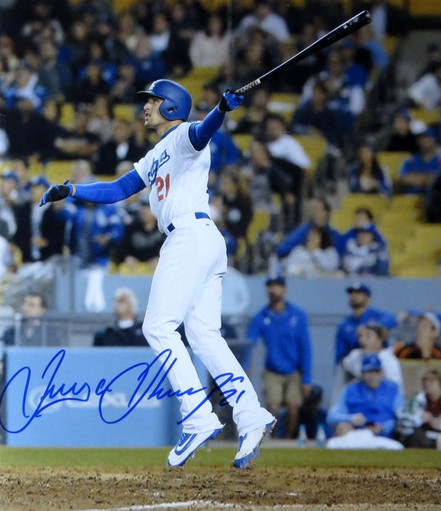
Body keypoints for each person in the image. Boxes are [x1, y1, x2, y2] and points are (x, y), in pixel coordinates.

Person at [39, 79, 275, 469]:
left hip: (189, 235)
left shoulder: (183, 134)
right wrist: (73, 191)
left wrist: (221, 111)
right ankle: (250, 415)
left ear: (171, 107)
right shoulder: (155, 154)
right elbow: (117, 189)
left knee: (158, 327)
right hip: (201, 239)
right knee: (202, 334)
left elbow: (202, 133)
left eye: (151, 101)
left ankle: (197, 416)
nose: (145, 106)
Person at [246, 276, 312, 441]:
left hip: (293, 369)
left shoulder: (298, 315)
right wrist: (243, 369)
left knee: (293, 407)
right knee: (273, 407)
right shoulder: (261, 316)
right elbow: (248, 344)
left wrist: (307, 379)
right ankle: (274, 440)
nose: (273, 290)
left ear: (284, 290)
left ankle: (288, 439)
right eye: (270, 286)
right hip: (272, 370)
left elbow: (305, 348)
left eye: (277, 286)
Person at [327, 353, 404, 439]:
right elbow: (332, 416)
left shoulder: (393, 389)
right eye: (369, 372)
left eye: (376, 372)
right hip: (356, 435)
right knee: (342, 427)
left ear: (381, 372)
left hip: (384, 437)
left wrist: (384, 427)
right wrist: (351, 418)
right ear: (362, 373)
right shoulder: (350, 389)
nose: (372, 376)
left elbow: (401, 415)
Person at [334, 282, 397, 364]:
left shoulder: (376, 315)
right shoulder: (345, 324)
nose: (353, 296)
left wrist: (368, 328)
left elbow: (392, 320)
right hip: (355, 363)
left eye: (358, 293)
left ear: (368, 298)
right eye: (351, 293)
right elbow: (340, 354)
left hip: (379, 360)